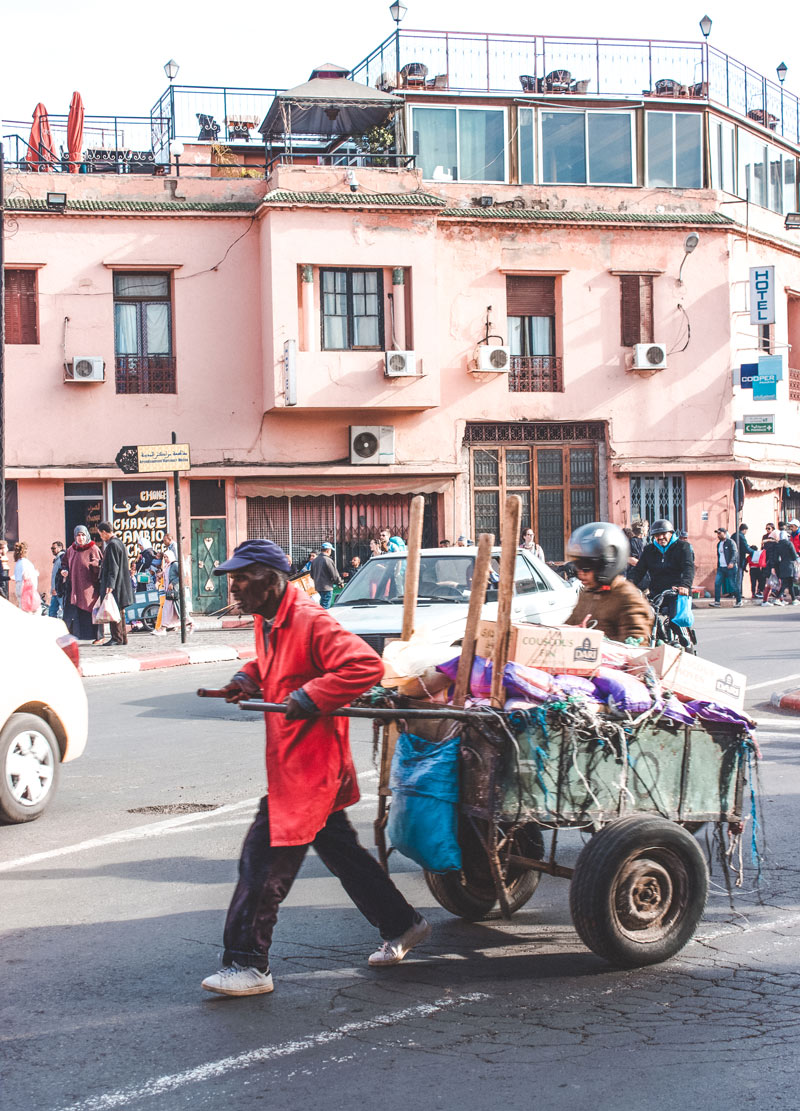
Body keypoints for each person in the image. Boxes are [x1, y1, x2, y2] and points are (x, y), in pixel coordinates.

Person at [201, 539, 430, 998]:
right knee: (342, 852)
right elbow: (271, 664)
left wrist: (311, 697)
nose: (236, 586)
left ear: (270, 579)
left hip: (310, 770)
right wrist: (248, 678)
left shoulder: (310, 618)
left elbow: (364, 666)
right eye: (233, 578)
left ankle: (249, 963)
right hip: (294, 763)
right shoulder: (269, 619)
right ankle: (402, 923)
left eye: (243, 577)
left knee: (262, 863)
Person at [564, 522, 653, 642]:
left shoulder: (628, 597)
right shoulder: (587, 593)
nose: (580, 574)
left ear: (607, 564)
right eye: (577, 567)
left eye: (585, 567)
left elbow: (635, 646)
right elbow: (570, 627)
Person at [629, 519, 694, 614]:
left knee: (675, 622)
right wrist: (627, 584)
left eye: (664, 534)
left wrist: (685, 585)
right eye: (657, 535)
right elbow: (638, 571)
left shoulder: (683, 547)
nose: (660, 537)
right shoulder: (649, 550)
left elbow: (688, 568)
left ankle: (681, 629)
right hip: (656, 594)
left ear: (671, 533)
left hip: (676, 592)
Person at [64, 525, 103, 641]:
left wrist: (94, 565)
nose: (80, 538)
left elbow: (99, 564)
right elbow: (64, 563)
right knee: (78, 612)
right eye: (78, 535)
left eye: (82, 535)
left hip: (89, 587)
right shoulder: (71, 549)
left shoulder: (93, 548)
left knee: (92, 610)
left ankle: (97, 636)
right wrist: (64, 570)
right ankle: (82, 635)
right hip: (75, 586)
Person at [97, 522, 134, 645]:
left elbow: (114, 567)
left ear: (104, 532)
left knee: (113, 610)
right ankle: (122, 638)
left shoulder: (112, 545)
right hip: (121, 583)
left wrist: (110, 585)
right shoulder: (119, 543)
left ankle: (116, 638)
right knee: (119, 611)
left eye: (100, 534)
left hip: (116, 584)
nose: (101, 537)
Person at [710, 527, 740, 607]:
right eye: (717, 533)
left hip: (730, 567)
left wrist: (732, 562)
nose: (718, 535)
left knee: (732, 584)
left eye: (719, 533)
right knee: (717, 583)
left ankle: (739, 601)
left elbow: (735, 553)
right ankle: (717, 602)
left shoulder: (730, 542)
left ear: (725, 533)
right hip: (721, 567)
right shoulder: (719, 544)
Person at [310, 542, 342, 608]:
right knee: (325, 607)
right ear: (328, 550)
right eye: (330, 550)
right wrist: (340, 582)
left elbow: (312, 575)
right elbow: (334, 574)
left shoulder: (315, 561)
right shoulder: (328, 560)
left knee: (322, 605)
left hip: (318, 587)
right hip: (327, 587)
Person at [773, 530, 800, 605]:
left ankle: (794, 599)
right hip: (790, 565)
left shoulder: (777, 545)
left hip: (782, 565)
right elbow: (794, 555)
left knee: (790, 583)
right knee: (785, 583)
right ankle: (777, 598)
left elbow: (776, 558)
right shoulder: (789, 544)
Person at [12, 542, 40, 613]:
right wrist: (35, 573)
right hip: (26, 587)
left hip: (18, 585)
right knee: (31, 608)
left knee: (22, 606)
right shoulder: (26, 562)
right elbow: (26, 576)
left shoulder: (18, 563)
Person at [732, 523, 757, 601]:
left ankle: (734, 593)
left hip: (732, 560)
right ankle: (738, 594)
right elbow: (746, 548)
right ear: (744, 530)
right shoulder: (741, 537)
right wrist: (754, 553)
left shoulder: (733, 535)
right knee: (739, 577)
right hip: (739, 559)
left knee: (734, 577)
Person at [48, 541, 65, 618]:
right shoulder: (57, 559)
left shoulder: (62, 558)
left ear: (60, 548)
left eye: (54, 548)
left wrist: (56, 588)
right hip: (56, 589)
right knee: (52, 611)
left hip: (59, 590)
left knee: (55, 610)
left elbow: (61, 576)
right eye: (51, 548)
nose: (52, 550)